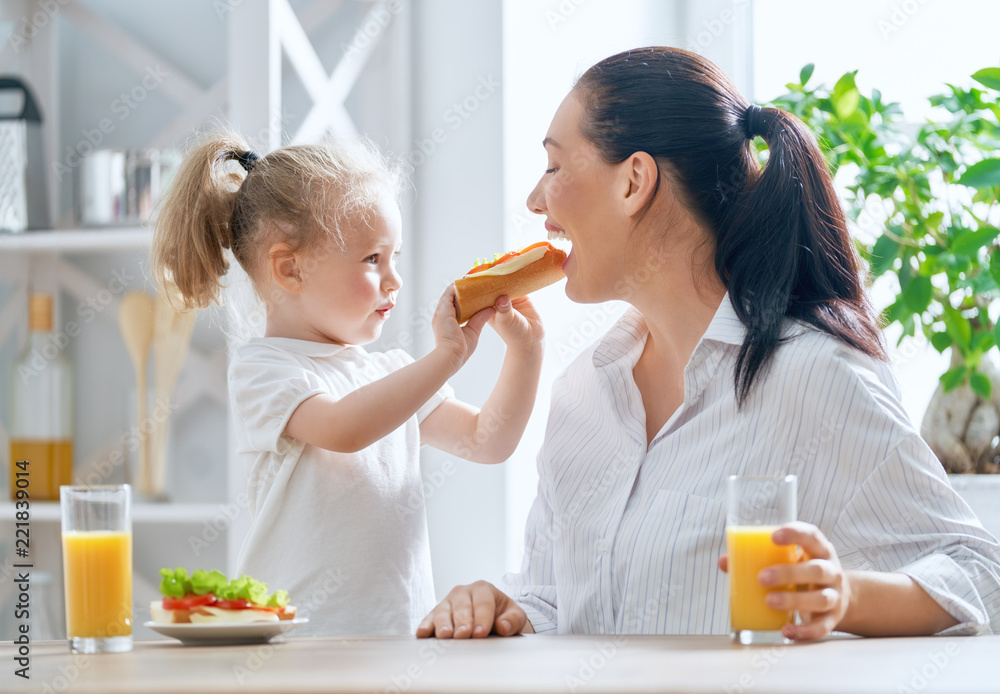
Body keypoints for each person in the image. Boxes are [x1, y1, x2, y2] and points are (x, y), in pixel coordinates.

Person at [416, 46, 1000, 641]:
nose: (535, 202)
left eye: (554, 167)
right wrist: (502, 609)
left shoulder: (810, 375)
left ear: (634, 181)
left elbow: (984, 576)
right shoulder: (581, 397)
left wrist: (847, 596)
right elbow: (556, 602)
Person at [151, 134, 544, 634]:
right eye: (372, 259)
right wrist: (445, 358)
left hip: (399, 641)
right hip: (300, 647)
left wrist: (527, 354)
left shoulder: (389, 374)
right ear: (290, 269)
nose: (394, 279)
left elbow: (487, 441)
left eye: (394, 256)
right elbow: (343, 428)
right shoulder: (263, 368)